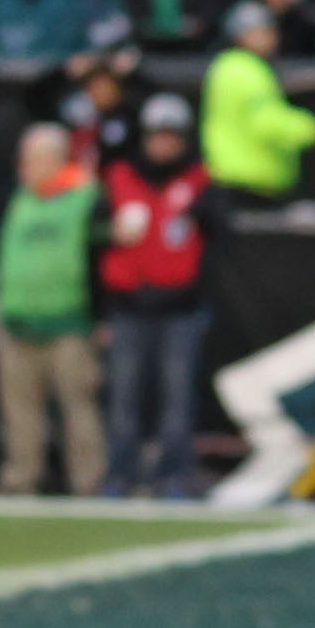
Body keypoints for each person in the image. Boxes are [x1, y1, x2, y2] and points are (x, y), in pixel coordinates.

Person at [95, 91, 209, 499]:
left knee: (176, 399)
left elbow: (220, 245)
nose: (164, 144)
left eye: (172, 136)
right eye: (158, 135)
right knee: (123, 399)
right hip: (127, 307)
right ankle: (120, 474)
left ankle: (173, 475)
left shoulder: (200, 181)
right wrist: (110, 232)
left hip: (180, 308)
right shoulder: (119, 177)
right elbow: (91, 236)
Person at [0, 117, 110, 495]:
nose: (25, 168)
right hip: (19, 321)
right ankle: (21, 477)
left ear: (57, 159)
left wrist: (100, 315)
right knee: (20, 412)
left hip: (69, 321)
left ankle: (88, 481)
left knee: (78, 409)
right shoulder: (21, 200)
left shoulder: (86, 196)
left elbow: (101, 255)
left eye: (34, 159)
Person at [198, 0, 315, 204]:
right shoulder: (245, 69)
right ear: (243, 34)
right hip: (248, 182)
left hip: (233, 179)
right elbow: (266, 122)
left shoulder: (224, 66)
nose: (273, 37)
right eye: (265, 30)